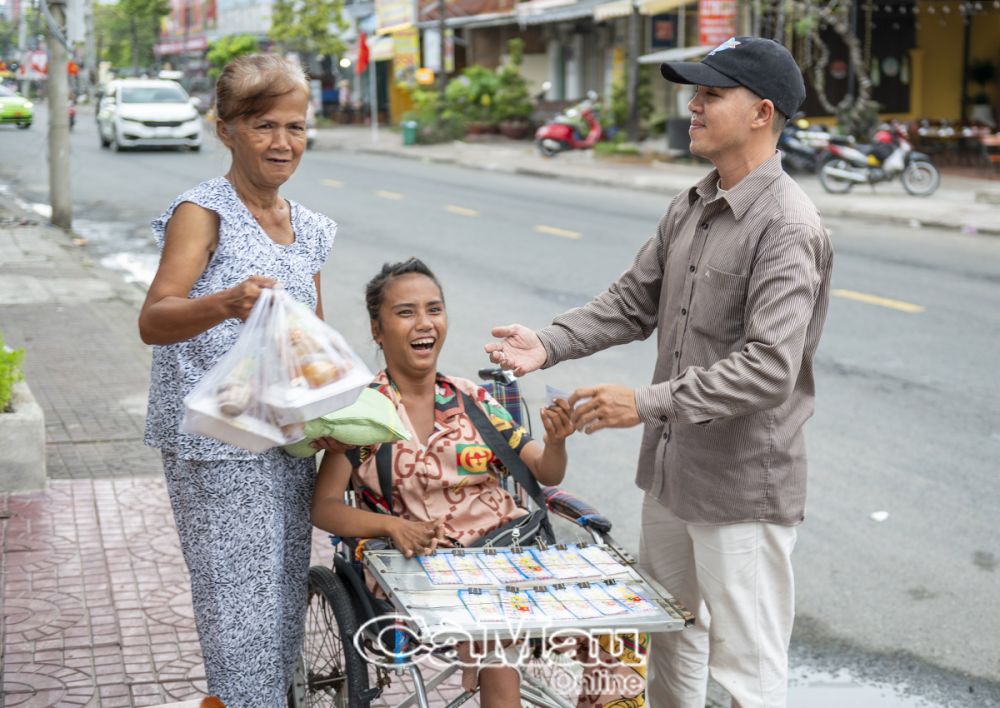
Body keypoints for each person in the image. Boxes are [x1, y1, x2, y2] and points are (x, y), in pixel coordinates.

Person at [484, 36, 834, 708]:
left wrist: (644, 403)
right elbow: (632, 301)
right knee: (670, 636)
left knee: (746, 673)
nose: (693, 106)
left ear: (761, 112)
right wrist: (547, 343)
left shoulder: (788, 226)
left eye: (710, 94)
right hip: (673, 475)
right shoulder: (693, 204)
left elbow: (768, 370)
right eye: (694, 92)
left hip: (740, 487)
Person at [310, 258, 646, 707]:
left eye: (434, 309)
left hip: (509, 556)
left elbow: (544, 472)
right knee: (499, 640)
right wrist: (390, 527)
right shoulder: (361, 412)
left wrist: (558, 441)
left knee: (619, 628)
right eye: (405, 312)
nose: (424, 323)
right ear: (377, 329)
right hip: (422, 571)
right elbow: (325, 507)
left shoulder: (472, 398)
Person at [138, 54, 336, 706]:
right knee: (236, 613)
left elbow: (318, 343)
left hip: (286, 442)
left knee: (281, 598)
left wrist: (340, 413)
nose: (283, 143)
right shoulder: (205, 212)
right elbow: (155, 318)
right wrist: (223, 302)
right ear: (226, 130)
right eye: (264, 126)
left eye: (296, 127)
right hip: (217, 447)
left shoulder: (308, 228)